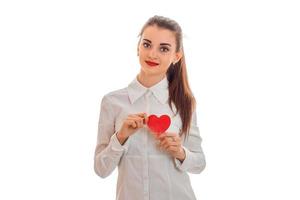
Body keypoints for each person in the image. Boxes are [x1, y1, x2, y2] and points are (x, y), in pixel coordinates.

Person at [94, 15, 206, 200]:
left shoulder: (184, 102)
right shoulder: (112, 102)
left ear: (176, 56)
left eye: (163, 49)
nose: (152, 54)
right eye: (147, 44)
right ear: (137, 48)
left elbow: (199, 164)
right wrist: (120, 137)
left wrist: (180, 152)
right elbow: (101, 169)